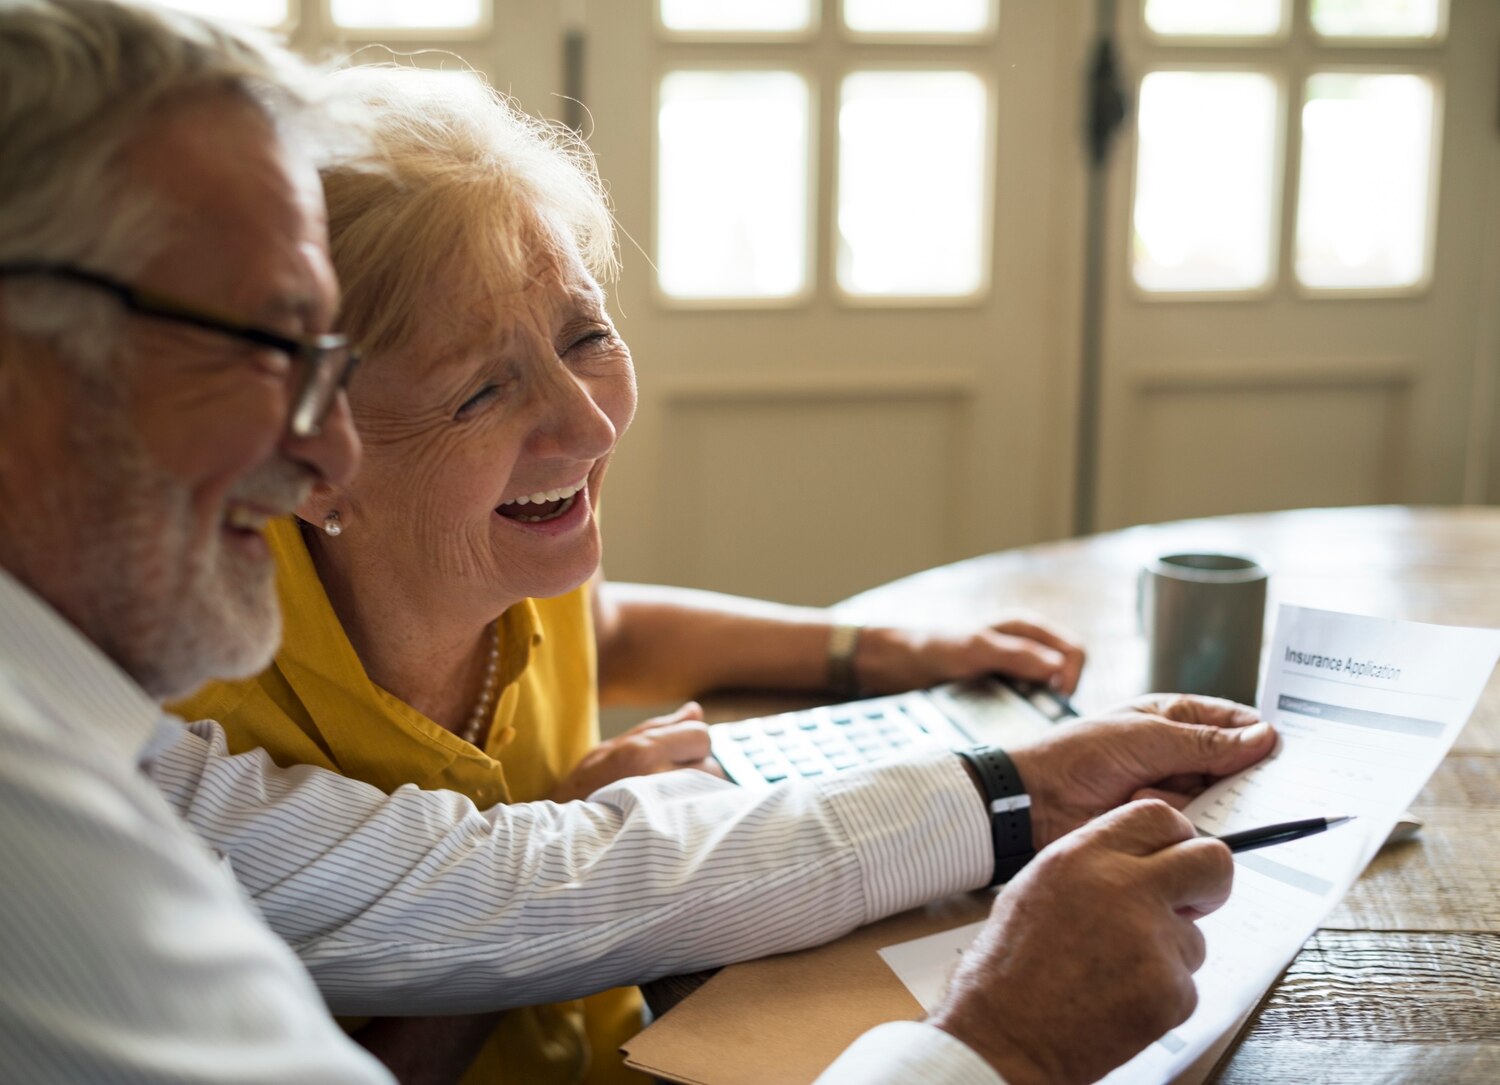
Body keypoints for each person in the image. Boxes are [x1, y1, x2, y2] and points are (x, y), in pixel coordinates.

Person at [0, 3, 1276, 1083]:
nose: (315, 450)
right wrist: (996, 1043)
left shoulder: (102, 734)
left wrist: (1000, 779)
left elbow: (528, 882)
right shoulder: (52, 818)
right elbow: (513, 898)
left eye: (585, 335)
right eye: (265, 346)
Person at [168, 64, 1091, 1084]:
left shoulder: (513, 547)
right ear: (303, 458)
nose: (589, 420)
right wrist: (566, 858)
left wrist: (877, 649)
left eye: (587, 334)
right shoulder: (198, 710)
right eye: (481, 392)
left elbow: (606, 629)